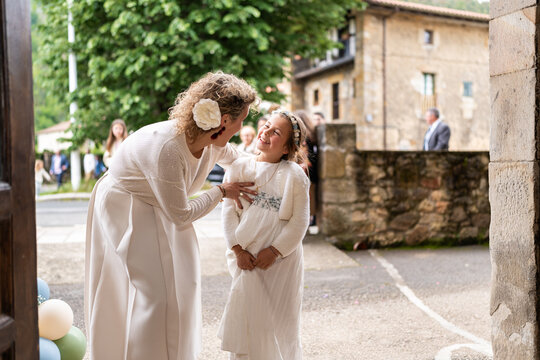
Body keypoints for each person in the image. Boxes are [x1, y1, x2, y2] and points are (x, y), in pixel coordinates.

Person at [85, 71, 258, 360]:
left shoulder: (215, 141)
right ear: (225, 120)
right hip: (125, 202)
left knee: (182, 285)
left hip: (160, 203)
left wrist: (277, 168)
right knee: (156, 294)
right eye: (241, 120)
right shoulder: (169, 149)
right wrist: (221, 191)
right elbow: (181, 214)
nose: (242, 127)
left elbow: (239, 158)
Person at [218, 110, 310, 360]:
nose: (266, 133)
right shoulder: (239, 167)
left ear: (286, 148)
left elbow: (299, 220)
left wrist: (276, 250)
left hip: (280, 263)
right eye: (266, 126)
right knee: (248, 318)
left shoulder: (294, 176)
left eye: (276, 132)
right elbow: (228, 213)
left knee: (278, 321)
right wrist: (237, 249)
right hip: (246, 258)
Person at [295, 110, 319, 226]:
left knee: (305, 198)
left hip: (304, 170)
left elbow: (304, 156)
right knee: (310, 197)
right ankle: (310, 221)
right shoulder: (312, 135)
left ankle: (306, 222)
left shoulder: (302, 136)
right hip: (311, 171)